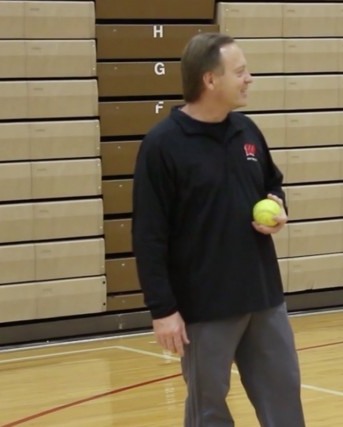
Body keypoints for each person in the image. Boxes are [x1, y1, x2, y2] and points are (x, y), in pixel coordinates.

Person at [132, 33, 305, 427]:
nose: (249, 79)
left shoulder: (247, 131)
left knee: (285, 404)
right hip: (204, 308)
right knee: (208, 412)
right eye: (240, 71)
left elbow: (271, 184)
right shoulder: (163, 145)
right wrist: (164, 311)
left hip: (264, 298)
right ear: (210, 80)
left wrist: (277, 206)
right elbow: (148, 235)